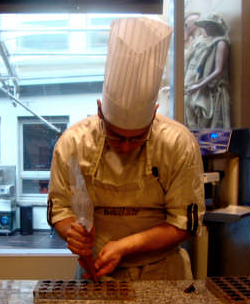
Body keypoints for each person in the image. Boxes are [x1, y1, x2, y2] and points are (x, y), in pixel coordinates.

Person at [47, 17, 205, 281]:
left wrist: (125, 246)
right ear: (100, 111)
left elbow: (183, 222)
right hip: (94, 272)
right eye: (116, 136)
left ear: (154, 114)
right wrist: (72, 232)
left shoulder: (178, 144)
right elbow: (60, 207)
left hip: (163, 274)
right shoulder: (73, 143)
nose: (125, 147)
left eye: (137, 138)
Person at [184, 13, 231, 130]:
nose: (205, 29)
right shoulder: (205, 42)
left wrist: (199, 86)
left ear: (214, 26)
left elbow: (218, 70)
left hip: (212, 90)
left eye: (208, 26)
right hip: (199, 86)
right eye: (204, 26)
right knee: (191, 118)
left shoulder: (221, 43)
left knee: (207, 119)